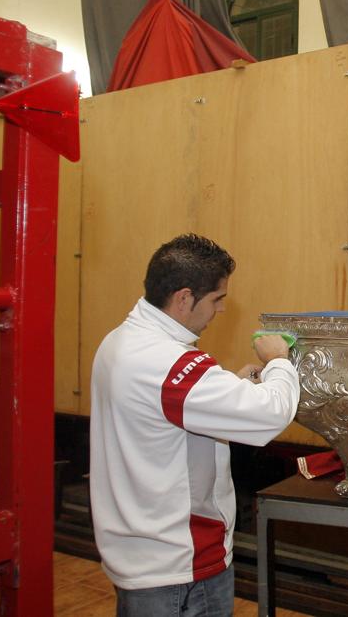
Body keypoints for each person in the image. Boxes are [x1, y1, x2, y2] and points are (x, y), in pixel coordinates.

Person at [90, 234, 301, 616]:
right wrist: (279, 362)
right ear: (184, 298)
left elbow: (168, 412)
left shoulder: (120, 341)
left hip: (140, 554)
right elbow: (270, 414)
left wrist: (230, 389)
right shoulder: (169, 364)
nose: (220, 310)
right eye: (217, 299)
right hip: (180, 562)